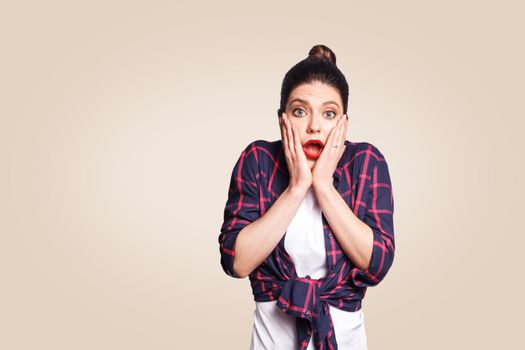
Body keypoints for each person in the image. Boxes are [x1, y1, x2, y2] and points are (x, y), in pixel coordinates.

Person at [218, 44, 395, 350]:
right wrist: (298, 186)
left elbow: (376, 263)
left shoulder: (366, 161)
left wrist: (323, 186)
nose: (314, 125)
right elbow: (236, 261)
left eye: (329, 113)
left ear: (344, 124)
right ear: (282, 118)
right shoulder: (258, 159)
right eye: (300, 111)